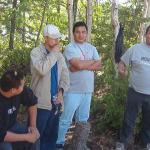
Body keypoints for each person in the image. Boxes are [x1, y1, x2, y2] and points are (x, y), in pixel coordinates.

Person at [56, 21, 101, 149]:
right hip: (72, 90)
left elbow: (99, 66)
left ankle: (79, 144)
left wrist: (80, 65)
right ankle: (59, 143)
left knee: (83, 120)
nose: (81, 35)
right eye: (78, 32)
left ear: (86, 33)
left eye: (83, 32)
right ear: (73, 33)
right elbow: (79, 65)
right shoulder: (70, 48)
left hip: (87, 90)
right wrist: (91, 63)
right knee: (66, 119)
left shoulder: (92, 48)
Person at [30, 24, 70, 150]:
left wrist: (61, 92)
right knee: (36, 138)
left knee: (51, 138)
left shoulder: (59, 55)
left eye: (58, 38)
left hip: (56, 104)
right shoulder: (36, 52)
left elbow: (65, 77)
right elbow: (42, 69)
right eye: (54, 38)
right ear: (45, 38)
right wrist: (53, 54)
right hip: (40, 104)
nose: (57, 41)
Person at [115, 25, 150, 150]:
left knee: (148, 122)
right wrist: (121, 71)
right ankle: (122, 142)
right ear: (146, 34)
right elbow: (122, 62)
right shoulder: (136, 49)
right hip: (135, 92)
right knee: (129, 119)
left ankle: (146, 143)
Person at [0, 69, 40, 150]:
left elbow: (32, 102)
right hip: (2, 133)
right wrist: (26, 137)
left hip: (13, 125)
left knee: (35, 137)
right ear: (13, 90)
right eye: (22, 85)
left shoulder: (19, 89)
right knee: (7, 148)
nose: (24, 86)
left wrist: (33, 126)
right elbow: (1, 134)